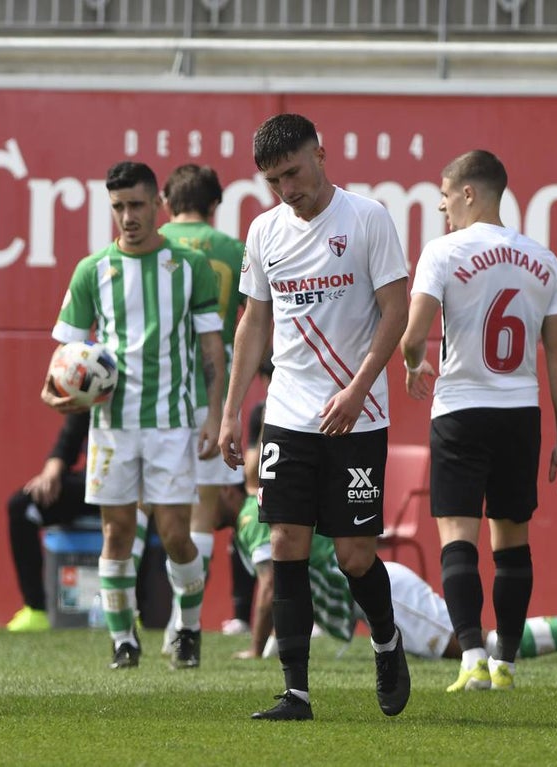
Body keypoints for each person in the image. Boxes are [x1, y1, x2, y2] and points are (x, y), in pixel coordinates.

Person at [218, 113, 411, 721]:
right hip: (288, 416)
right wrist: (231, 411)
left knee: (354, 555)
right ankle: (296, 692)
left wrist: (358, 389)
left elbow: (396, 311)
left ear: (321, 155)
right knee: (284, 545)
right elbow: (254, 323)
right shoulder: (264, 231)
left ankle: (386, 640)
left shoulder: (367, 218)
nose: (287, 189)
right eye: (274, 181)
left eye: (294, 173)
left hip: (359, 414)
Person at [399, 149, 557, 693]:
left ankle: (472, 656)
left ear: (470, 193)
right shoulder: (545, 259)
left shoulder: (444, 252)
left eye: (446, 196)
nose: (442, 207)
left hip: (460, 408)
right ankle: (506, 665)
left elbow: (411, 338)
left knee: (458, 535)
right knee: (512, 541)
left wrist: (414, 364)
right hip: (520, 411)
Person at [42, 160, 226, 671]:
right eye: (119, 207)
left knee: (172, 533)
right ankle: (123, 640)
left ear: (158, 206)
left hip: (172, 422)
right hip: (112, 426)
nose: (128, 216)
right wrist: (54, 391)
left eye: (137, 205)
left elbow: (213, 349)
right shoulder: (91, 271)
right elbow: (65, 357)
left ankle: (187, 629)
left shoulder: (189, 268)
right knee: (117, 533)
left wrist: (214, 416)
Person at [223, 493, 557, 664]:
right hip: (375, 592)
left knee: (480, 647)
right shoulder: (256, 508)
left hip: (389, 593)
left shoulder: (251, 516)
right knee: (478, 646)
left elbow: (271, 590)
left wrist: (255, 649)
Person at [158, 163, 248, 646]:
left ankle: (125, 621)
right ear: (215, 206)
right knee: (203, 513)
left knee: (138, 509)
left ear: (166, 203)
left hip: (161, 389)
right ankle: (181, 622)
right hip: (216, 390)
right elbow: (247, 322)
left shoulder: (152, 244)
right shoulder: (235, 250)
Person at [5, 411, 97, 632]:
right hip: (93, 482)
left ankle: (138, 610)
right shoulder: (97, 389)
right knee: (22, 506)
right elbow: (69, 439)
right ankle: (36, 609)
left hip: (135, 486)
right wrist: (51, 472)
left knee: (143, 513)